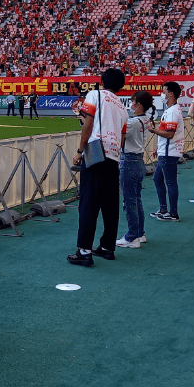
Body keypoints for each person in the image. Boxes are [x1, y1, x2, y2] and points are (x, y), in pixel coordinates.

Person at [68, 69, 128, 266]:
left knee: (88, 202)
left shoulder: (95, 94)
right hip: (113, 155)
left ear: (101, 81)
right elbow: (123, 137)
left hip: (95, 150)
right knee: (110, 204)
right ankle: (107, 247)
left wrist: (80, 150)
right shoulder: (122, 107)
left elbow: (88, 123)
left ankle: (84, 251)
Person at [117, 91, 154, 248]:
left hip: (130, 161)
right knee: (136, 199)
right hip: (138, 161)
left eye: (132, 103)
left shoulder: (132, 123)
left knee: (130, 200)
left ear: (139, 105)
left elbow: (119, 138)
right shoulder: (145, 120)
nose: (131, 106)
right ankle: (139, 233)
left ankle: (132, 236)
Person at [150, 81, 184, 222]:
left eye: (163, 91)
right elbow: (167, 132)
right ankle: (164, 209)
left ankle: (173, 213)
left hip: (170, 152)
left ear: (170, 94)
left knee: (170, 182)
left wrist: (153, 130)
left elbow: (169, 134)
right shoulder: (170, 110)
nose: (162, 94)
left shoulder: (172, 111)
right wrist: (159, 147)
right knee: (158, 179)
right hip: (166, 151)